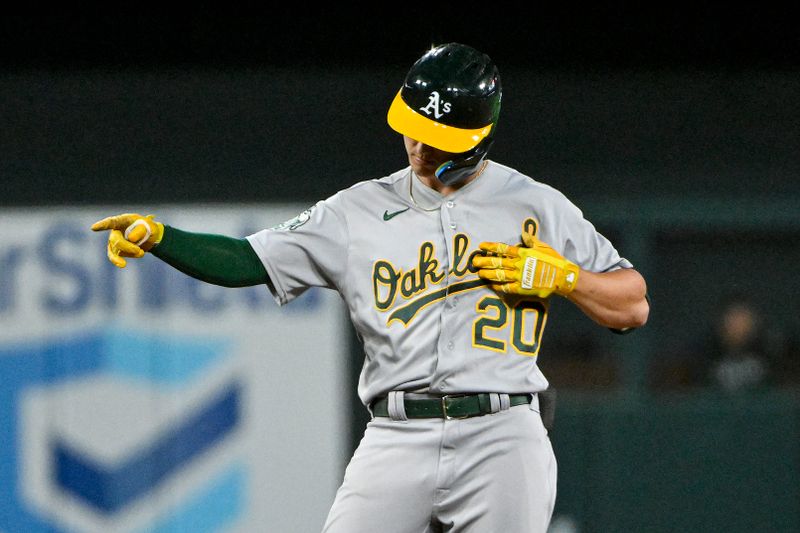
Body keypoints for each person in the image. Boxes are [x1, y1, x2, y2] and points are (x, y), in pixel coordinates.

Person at [91, 43, 649, 533]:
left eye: (434, 137)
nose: (417, 146)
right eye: (414, 128)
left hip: (502, 432)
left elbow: (632, 303)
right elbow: (248, 260)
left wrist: (565, 277)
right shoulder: (356, 210)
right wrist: (160, 237)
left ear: (479, 137)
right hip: (396, 432)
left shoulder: (535, 204)